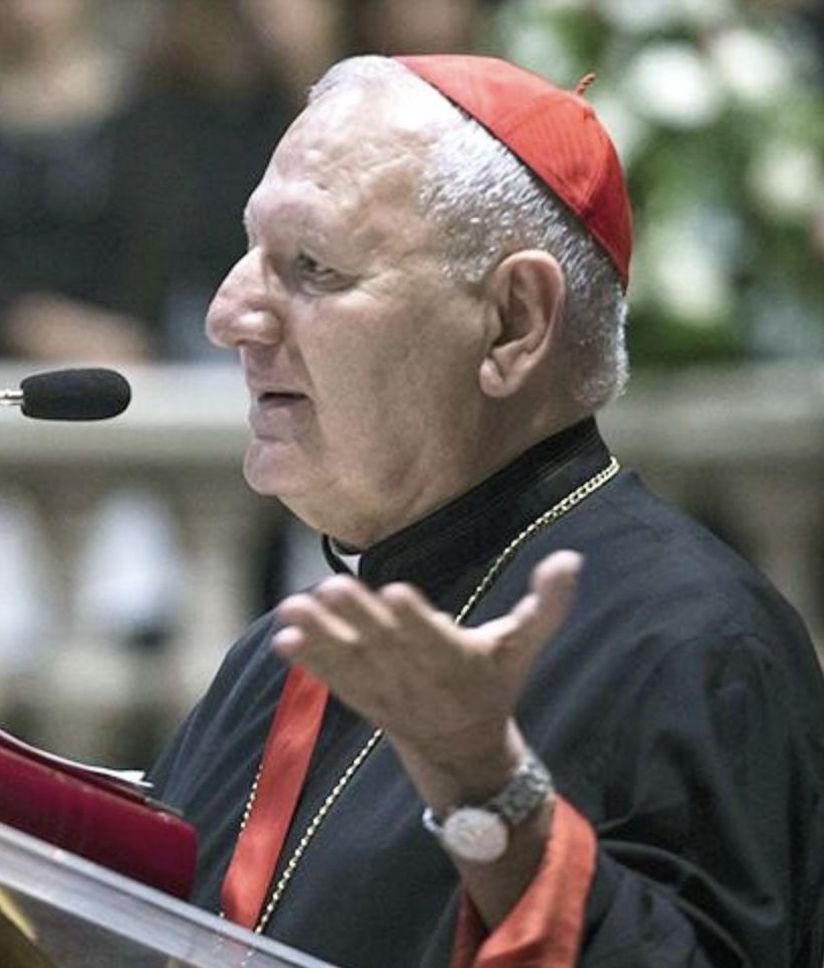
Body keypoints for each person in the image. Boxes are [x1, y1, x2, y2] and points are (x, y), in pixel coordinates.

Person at [149, 54, 824, 966]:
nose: (229, 316)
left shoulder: (695, 643)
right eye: (250, 252)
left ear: (513, 323)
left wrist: (490, 795)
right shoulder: (275, 660)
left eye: (311, 266)